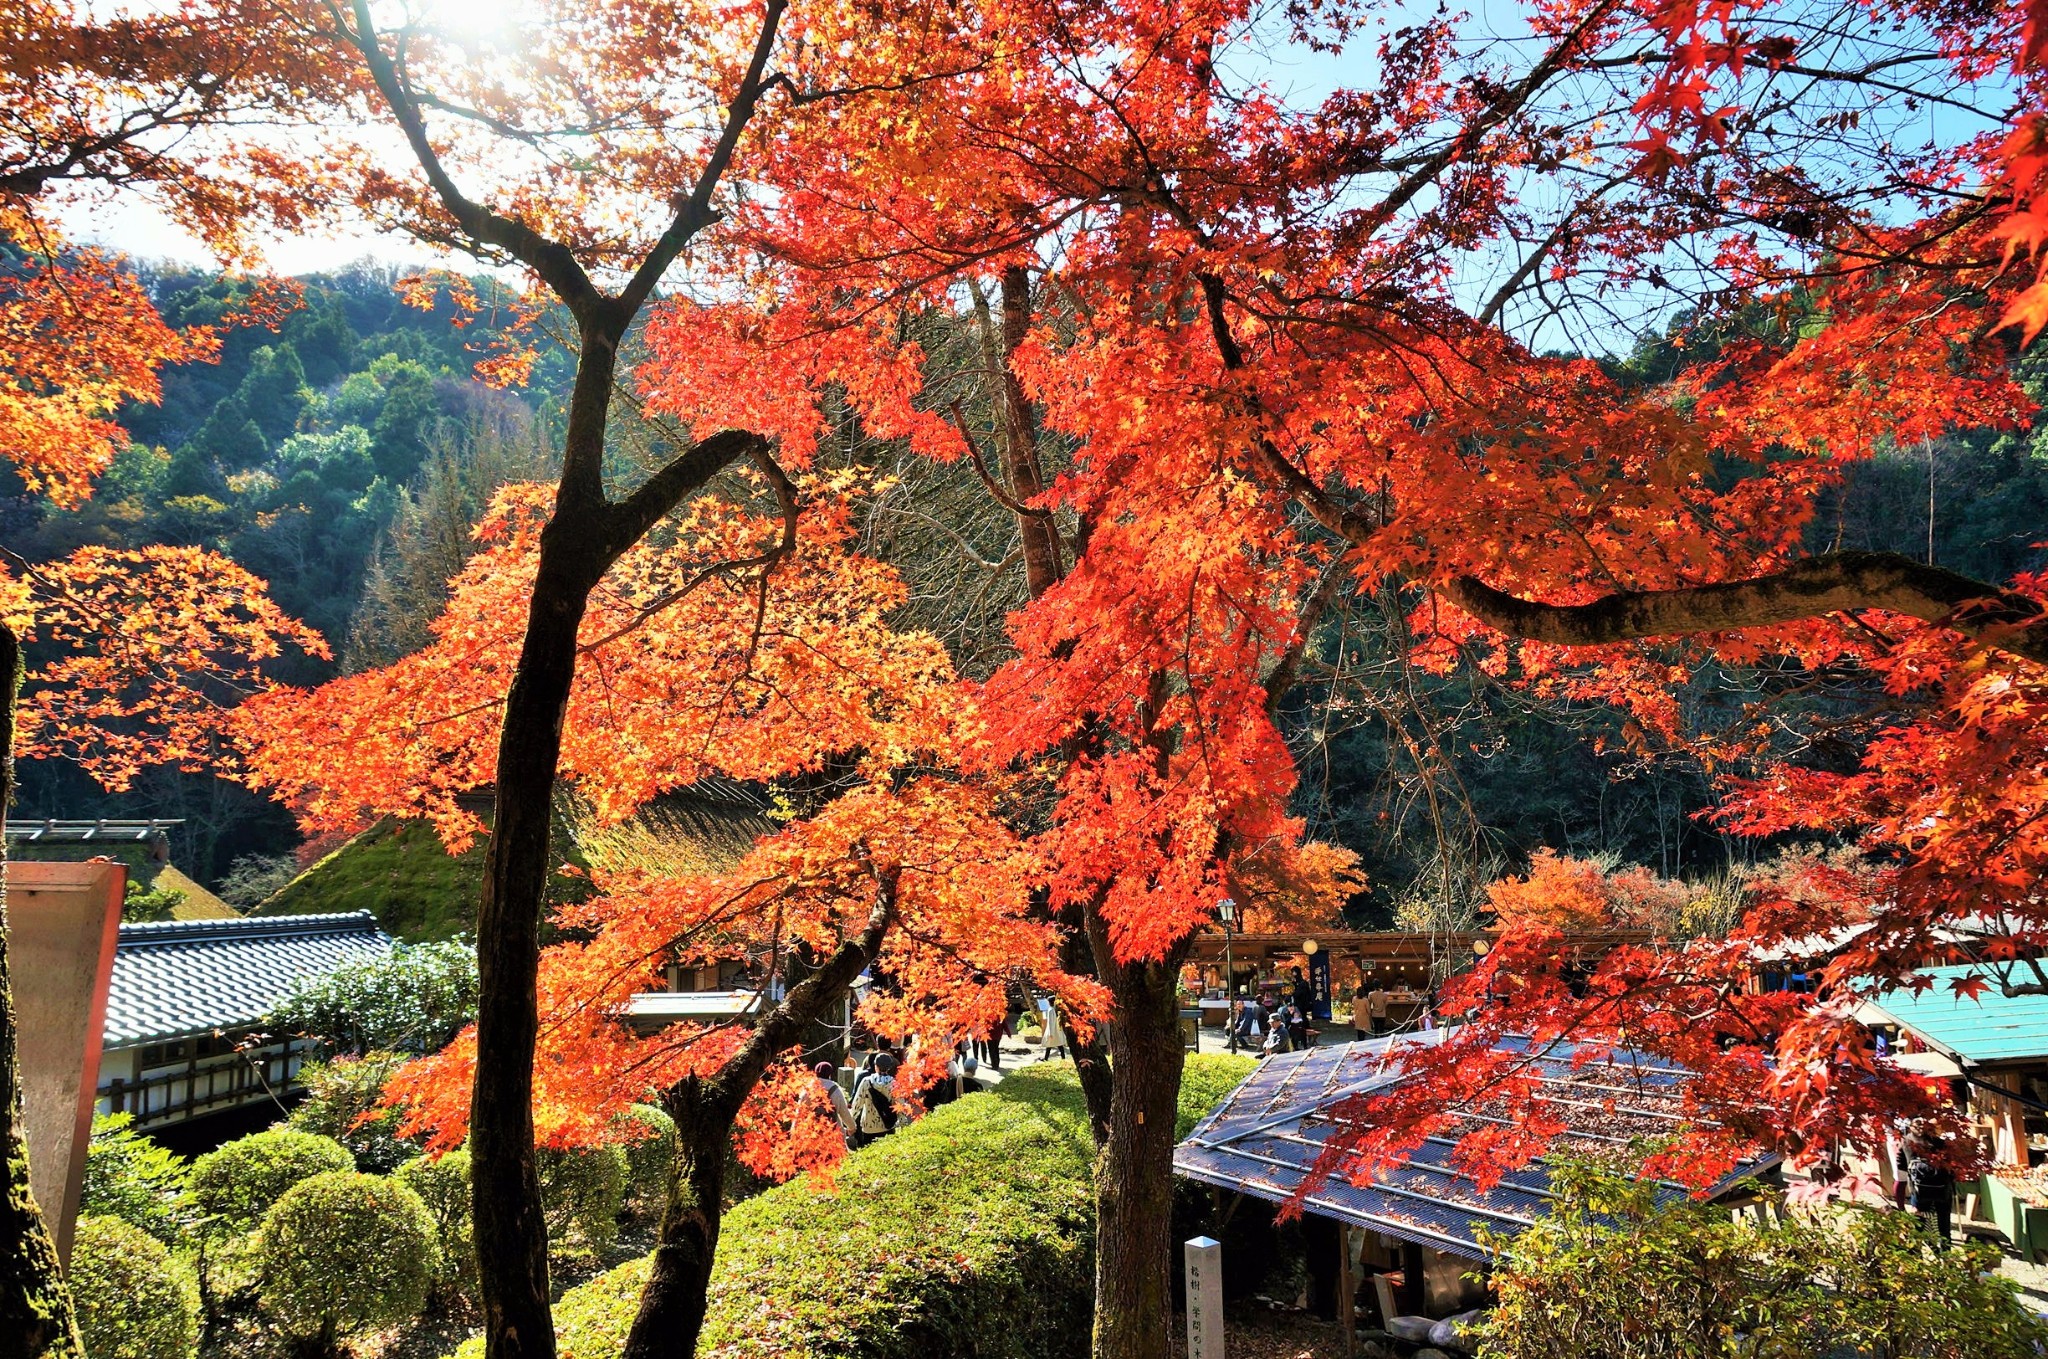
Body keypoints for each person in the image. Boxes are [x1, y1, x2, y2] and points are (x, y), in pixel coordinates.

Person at [1902, 1134, 1956, 1248]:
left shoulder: (1907, 1142)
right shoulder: (1942, 1143)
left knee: (1918, 1225)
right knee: (1944, 1227)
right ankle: (1947, 1259)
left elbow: (1900, 1164)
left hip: (1919, 1190)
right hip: (1942, 1189)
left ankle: (1917, 1256)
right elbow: (1953, 1169)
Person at [851, 1052, 900, 1148]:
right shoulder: (894, 1084)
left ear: (875, 1066)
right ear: (889, 1067)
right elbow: (900, 1107)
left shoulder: (866, 1082)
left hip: (868, 1127)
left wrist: (851, 1125)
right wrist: (902, 1126)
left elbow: (857, 1105)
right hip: (887, 1125)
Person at [805, 1059, 854, 1144]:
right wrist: (851, 1127)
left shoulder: (807, 1089)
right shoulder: (835, 1089)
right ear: (830, 1074)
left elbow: (799, 1113)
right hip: (833, 1132)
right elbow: (843, 1111)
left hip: (812, 1133)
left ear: (815, 1073)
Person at [1037, 995, 1070, 1061]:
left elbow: (1050, 1022)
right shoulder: (1056, 1009)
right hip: (1057, 1029)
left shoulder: (1050, 1010)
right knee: (1058, 1044)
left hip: (1052, 1029)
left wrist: (1050, 1032)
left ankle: (1046, 1058)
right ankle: (1062, 1058)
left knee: (1050, 1044)